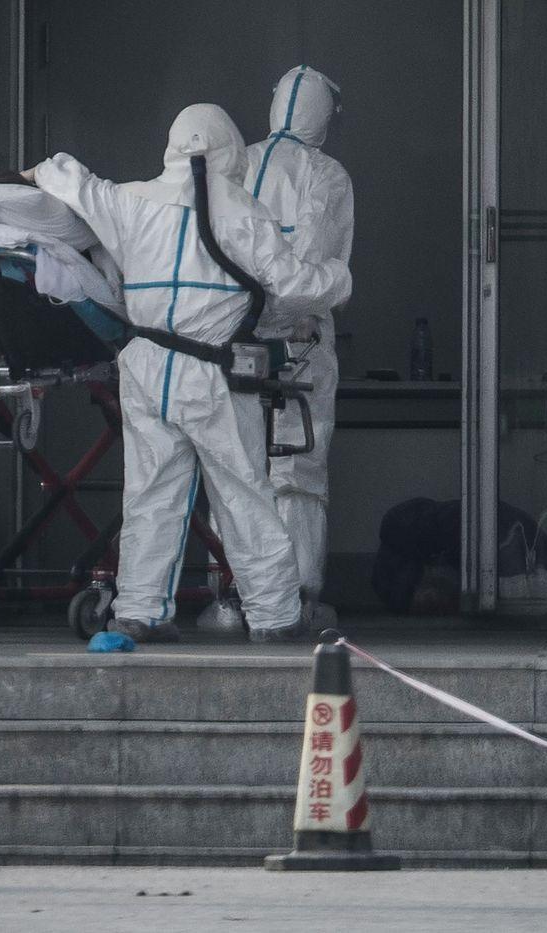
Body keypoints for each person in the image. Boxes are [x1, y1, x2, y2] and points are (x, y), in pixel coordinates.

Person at [26, 103, 352, 644]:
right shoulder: (243, 213)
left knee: (151, 495)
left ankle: (139, 610)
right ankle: (274, 617)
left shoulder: (131, 200)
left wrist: (38, 172)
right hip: (212, 372)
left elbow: (77, 183)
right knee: (244, 493)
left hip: (147, 368)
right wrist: (338, 279)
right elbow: (294, 286)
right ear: (228, 149)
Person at [235, 65, 354, 634]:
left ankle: (235, 592)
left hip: (228, 341)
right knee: (296, 468)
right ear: (323, 115)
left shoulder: (238, 164)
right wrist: (285, 324)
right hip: (299, 344)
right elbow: (307, 266)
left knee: (235, 463)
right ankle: (297, 596)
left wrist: (245, 325)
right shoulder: (325, 176)